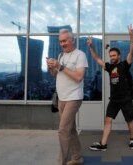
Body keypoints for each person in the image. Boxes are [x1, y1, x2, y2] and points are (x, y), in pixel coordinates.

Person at [87, 25, 133, 151]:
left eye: (114, 55)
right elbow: (97, 58)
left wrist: (132, 38)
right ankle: (103, 144)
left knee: (129, 120)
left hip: (126, 99)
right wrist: (91, 47)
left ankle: (132, 139)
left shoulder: (125, 65)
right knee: (108, 120)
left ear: (119, 55)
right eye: (111, 55)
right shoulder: (109, 67)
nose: (112, 57)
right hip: (114, 100)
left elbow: (132, 52)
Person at [46, 29, 88, 165]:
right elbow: (55, 74)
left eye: (64, 40)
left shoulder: (80, 55)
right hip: (61, 98)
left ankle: (61, 162)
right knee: (71, 129)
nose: (62, 44)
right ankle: (77, 158)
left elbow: (79, 77)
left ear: (72, 40)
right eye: (60, 41)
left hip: (74, 97)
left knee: (63, 130)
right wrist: (51, 67)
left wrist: (61, 67)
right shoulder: (60, 56)